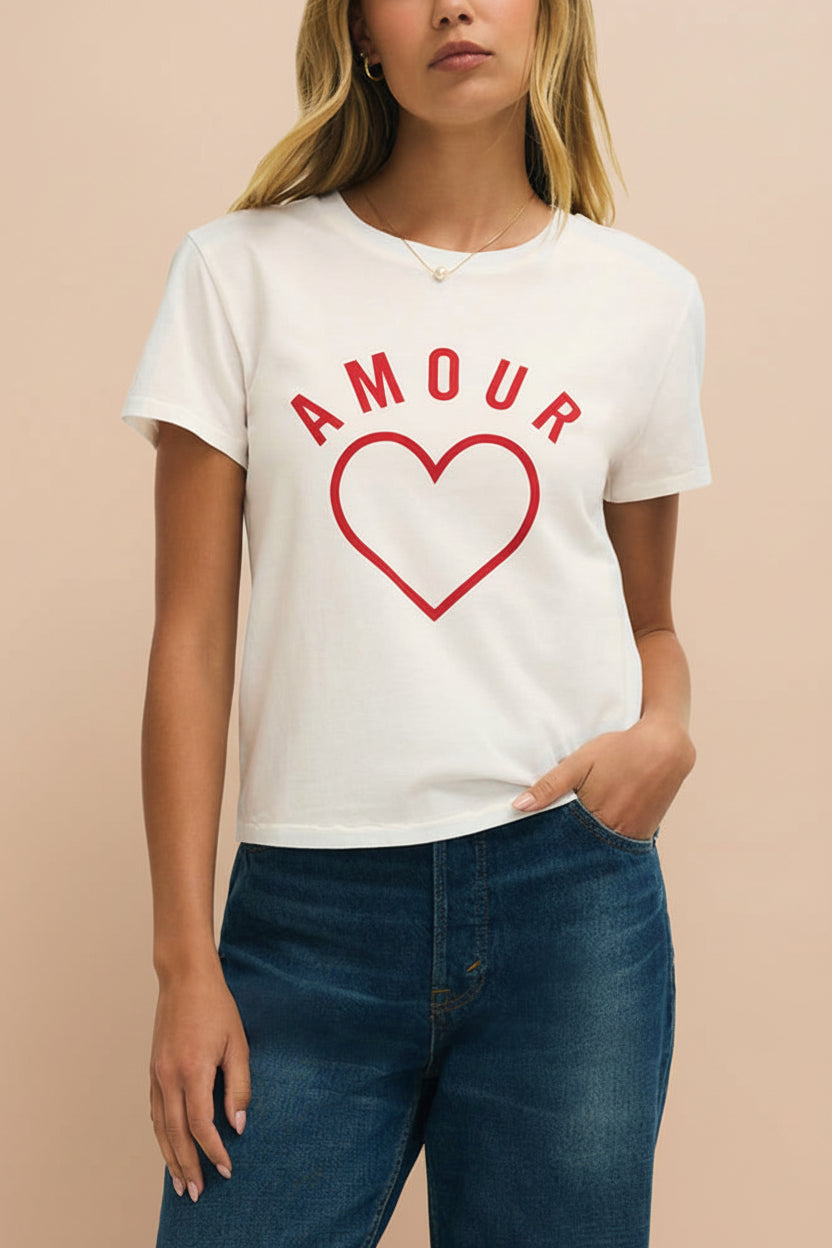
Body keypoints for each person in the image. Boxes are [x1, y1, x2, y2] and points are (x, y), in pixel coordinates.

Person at [120, 1, 711, 1244]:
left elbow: (649, 621)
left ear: (551, 20)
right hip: (307, 918)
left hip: (571, 902)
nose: (453, 6)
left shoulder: (643, 300)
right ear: (357, 33)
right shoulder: (238, 273)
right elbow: (191, 638)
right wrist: (184, 963)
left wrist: (664, 731)